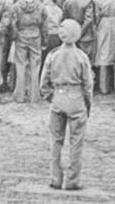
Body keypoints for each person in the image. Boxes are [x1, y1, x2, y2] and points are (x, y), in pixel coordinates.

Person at [40, 19, 93, 191]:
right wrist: (87, 105)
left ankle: (55, 178)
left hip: (58, 98)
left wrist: (51, 97)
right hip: (76, 98)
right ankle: (72, 180)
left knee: (55, 141)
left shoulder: (53, 54)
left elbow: (43, 82)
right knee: (76, 142)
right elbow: (88, 85)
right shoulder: (82, 57)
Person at [11, 0, 47, 103]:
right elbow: (44, 25)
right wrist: (45, 41)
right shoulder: (41, 6)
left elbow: (13, 23)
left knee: (20, 66)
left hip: (21, 35)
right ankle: (34, 96)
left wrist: (15, 36)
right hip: (36, 36)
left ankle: (19, 96)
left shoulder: (16, 6)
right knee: (35, 66)